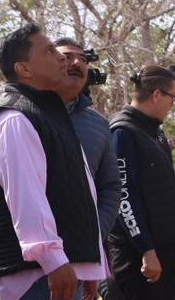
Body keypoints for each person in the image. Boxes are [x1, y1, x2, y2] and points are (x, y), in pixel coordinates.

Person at [0, 23, 106, 300]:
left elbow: (84, 194)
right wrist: (53, 260)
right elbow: (26, 197)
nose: (62, 58)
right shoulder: (15, 119)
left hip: (60, 271)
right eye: (49, 51)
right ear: (24, 69)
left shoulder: (51, 116)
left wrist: (88, 265)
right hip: (36, 279)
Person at [108, 65, 175, 298]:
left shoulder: (155, 132)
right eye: (172, 98)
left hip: (166, 249)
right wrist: (145, 248)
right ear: (157, 94)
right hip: (137, 256)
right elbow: (123, 196)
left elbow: (169, 187)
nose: (172, 104)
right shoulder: (123, 132)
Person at [54, 38, 121, 244]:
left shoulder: (99, 124)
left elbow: (110, 186)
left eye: (83, 59)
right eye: (66, 57)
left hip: (84, 249)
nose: (77, 63)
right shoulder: (19, 117)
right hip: (24, 252)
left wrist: (96, 233)